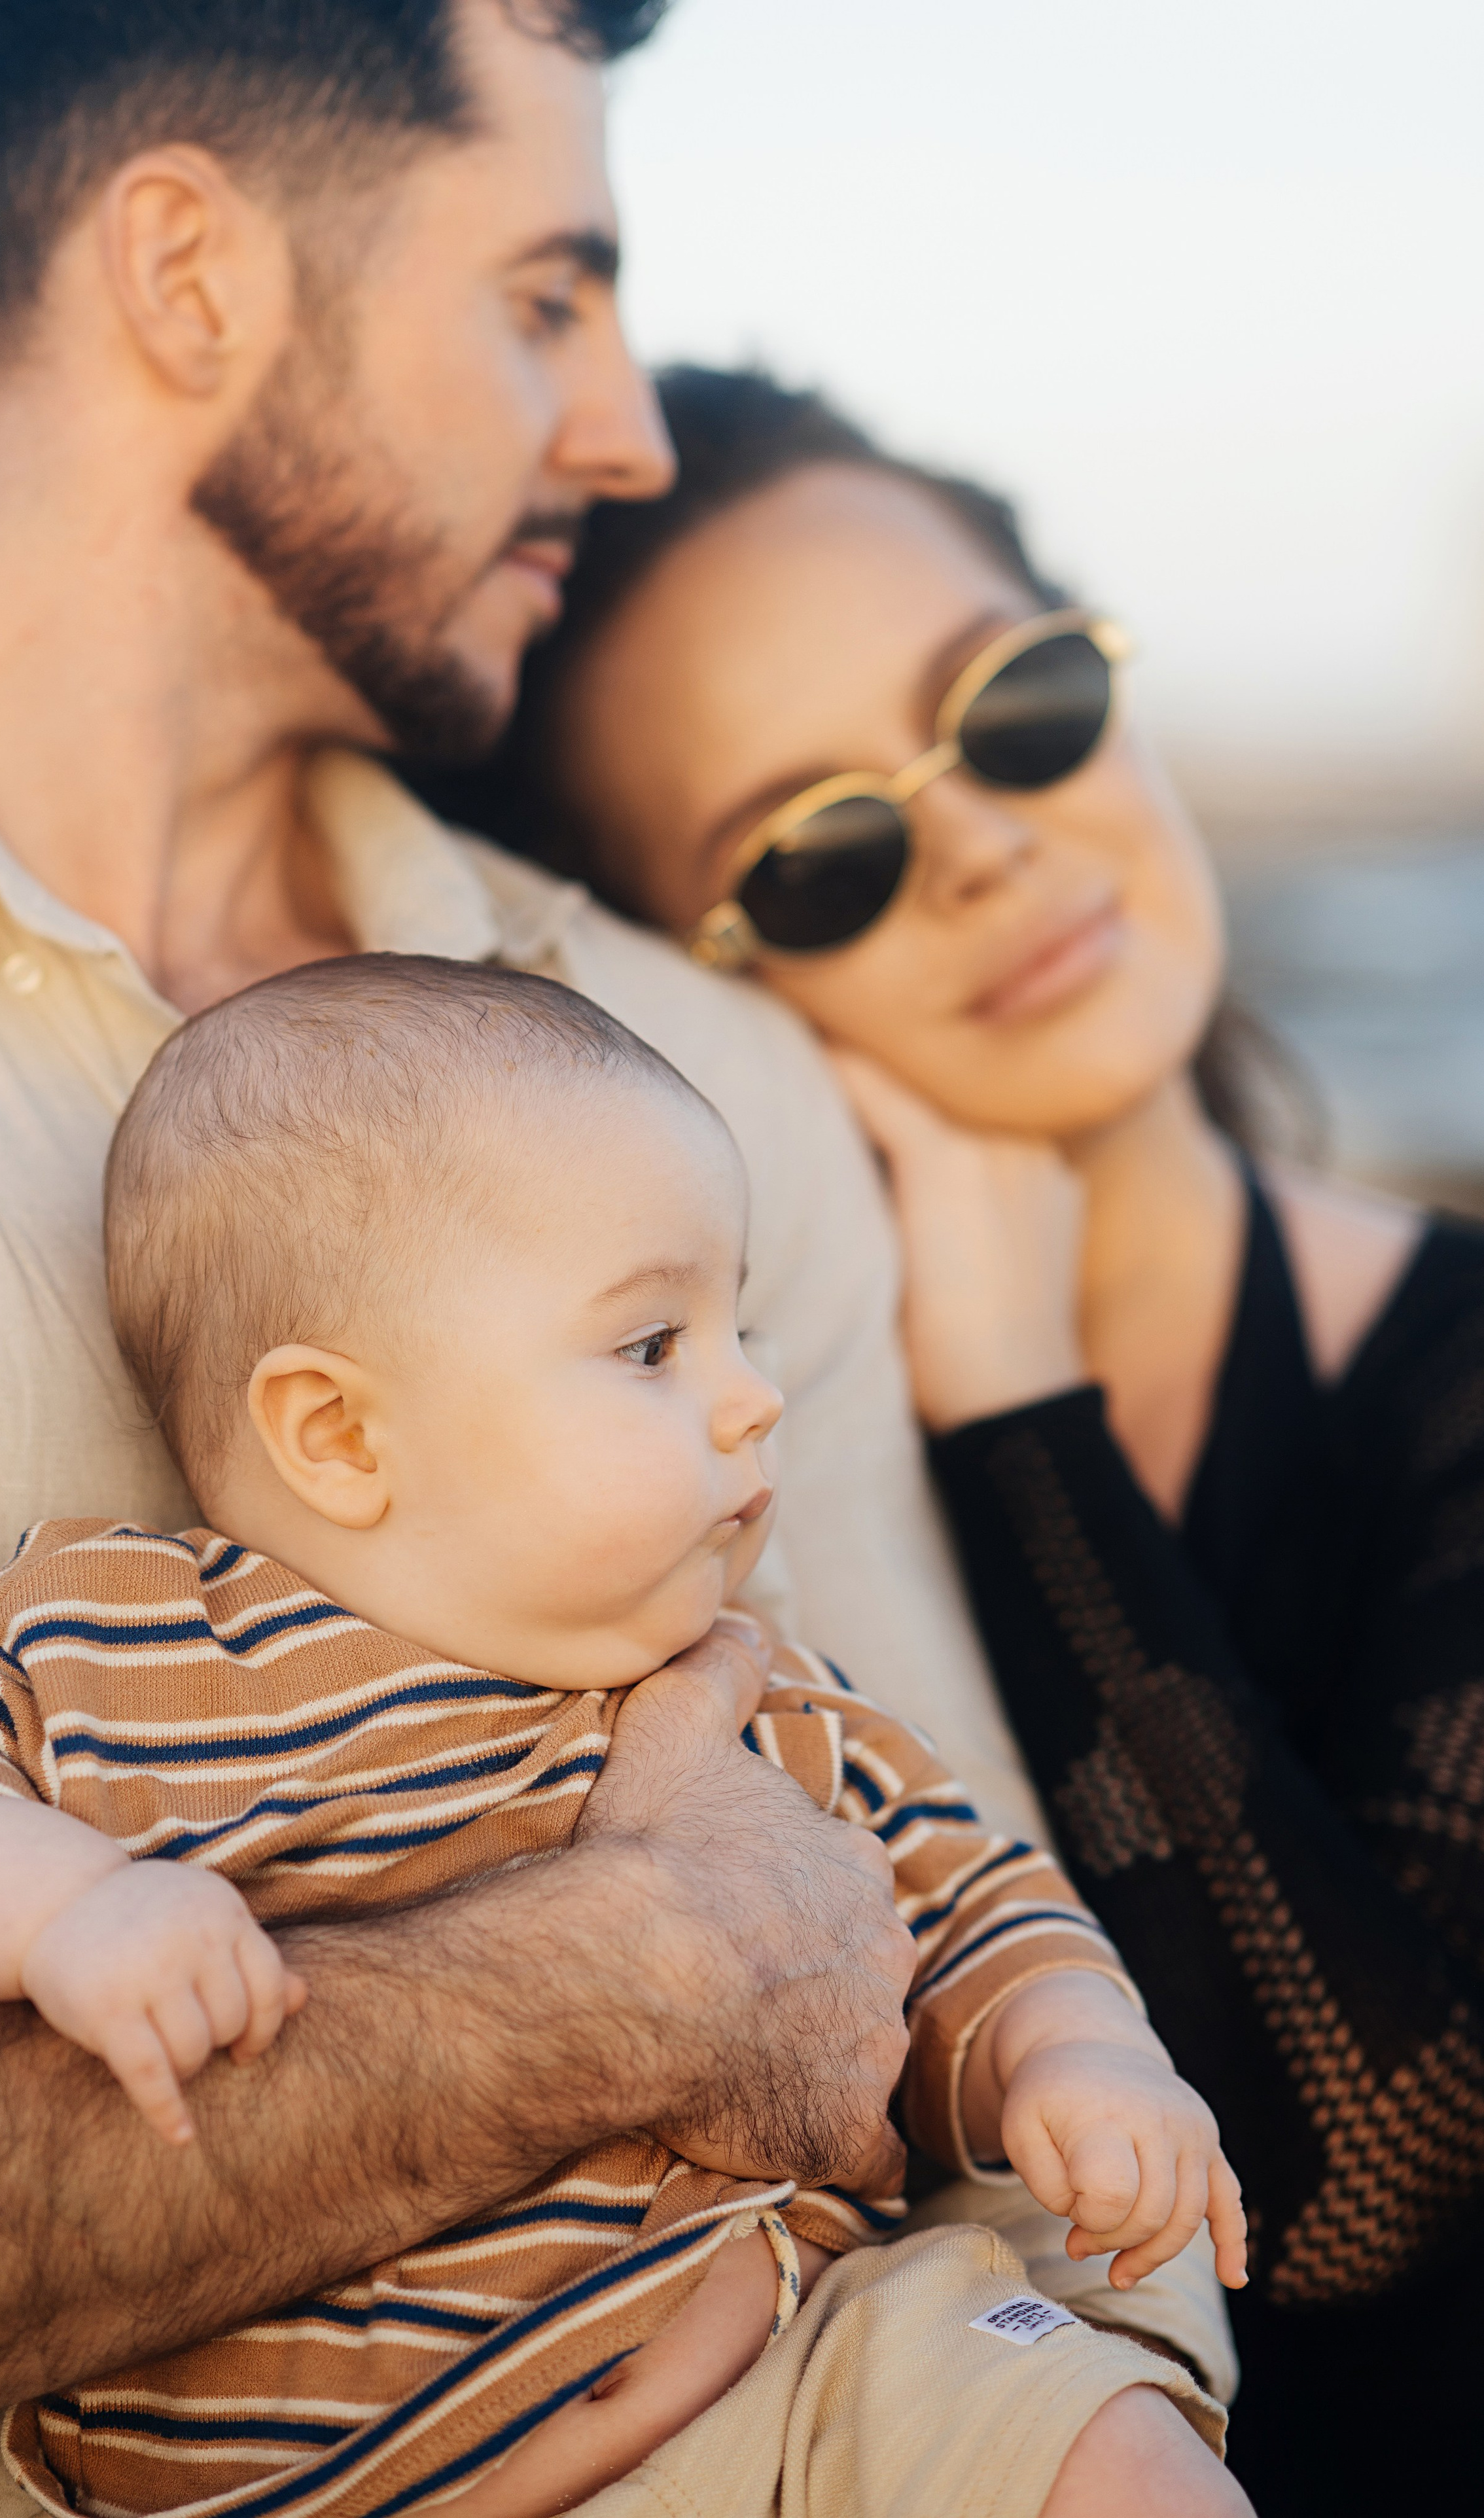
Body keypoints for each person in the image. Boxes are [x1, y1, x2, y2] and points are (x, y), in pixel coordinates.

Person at [0, 5, 1233, 2513]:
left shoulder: (698, 1067)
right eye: (547, 296)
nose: (631, 431)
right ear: (185, 271)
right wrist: (644, 1967)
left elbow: (990, 2044)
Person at [423, 363, 1484, 2513]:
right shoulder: (667, 1492)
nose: (989, 843)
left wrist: (1019, 1408)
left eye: (1014, 707)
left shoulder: (1457, 1365)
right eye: (822, 854)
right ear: (678, 989)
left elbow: (1366, 2183)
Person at [0, 956, 1245, 2518]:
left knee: (1096, 2433)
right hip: (334, 2481)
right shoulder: (113, 1642)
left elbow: (974, 1903)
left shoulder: (755, 1690)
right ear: (339, 1435)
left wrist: (1072, 2054)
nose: (754, 1399)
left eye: (742, 1326)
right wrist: (64, 1907)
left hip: (800, 2390)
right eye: (652, 1345)